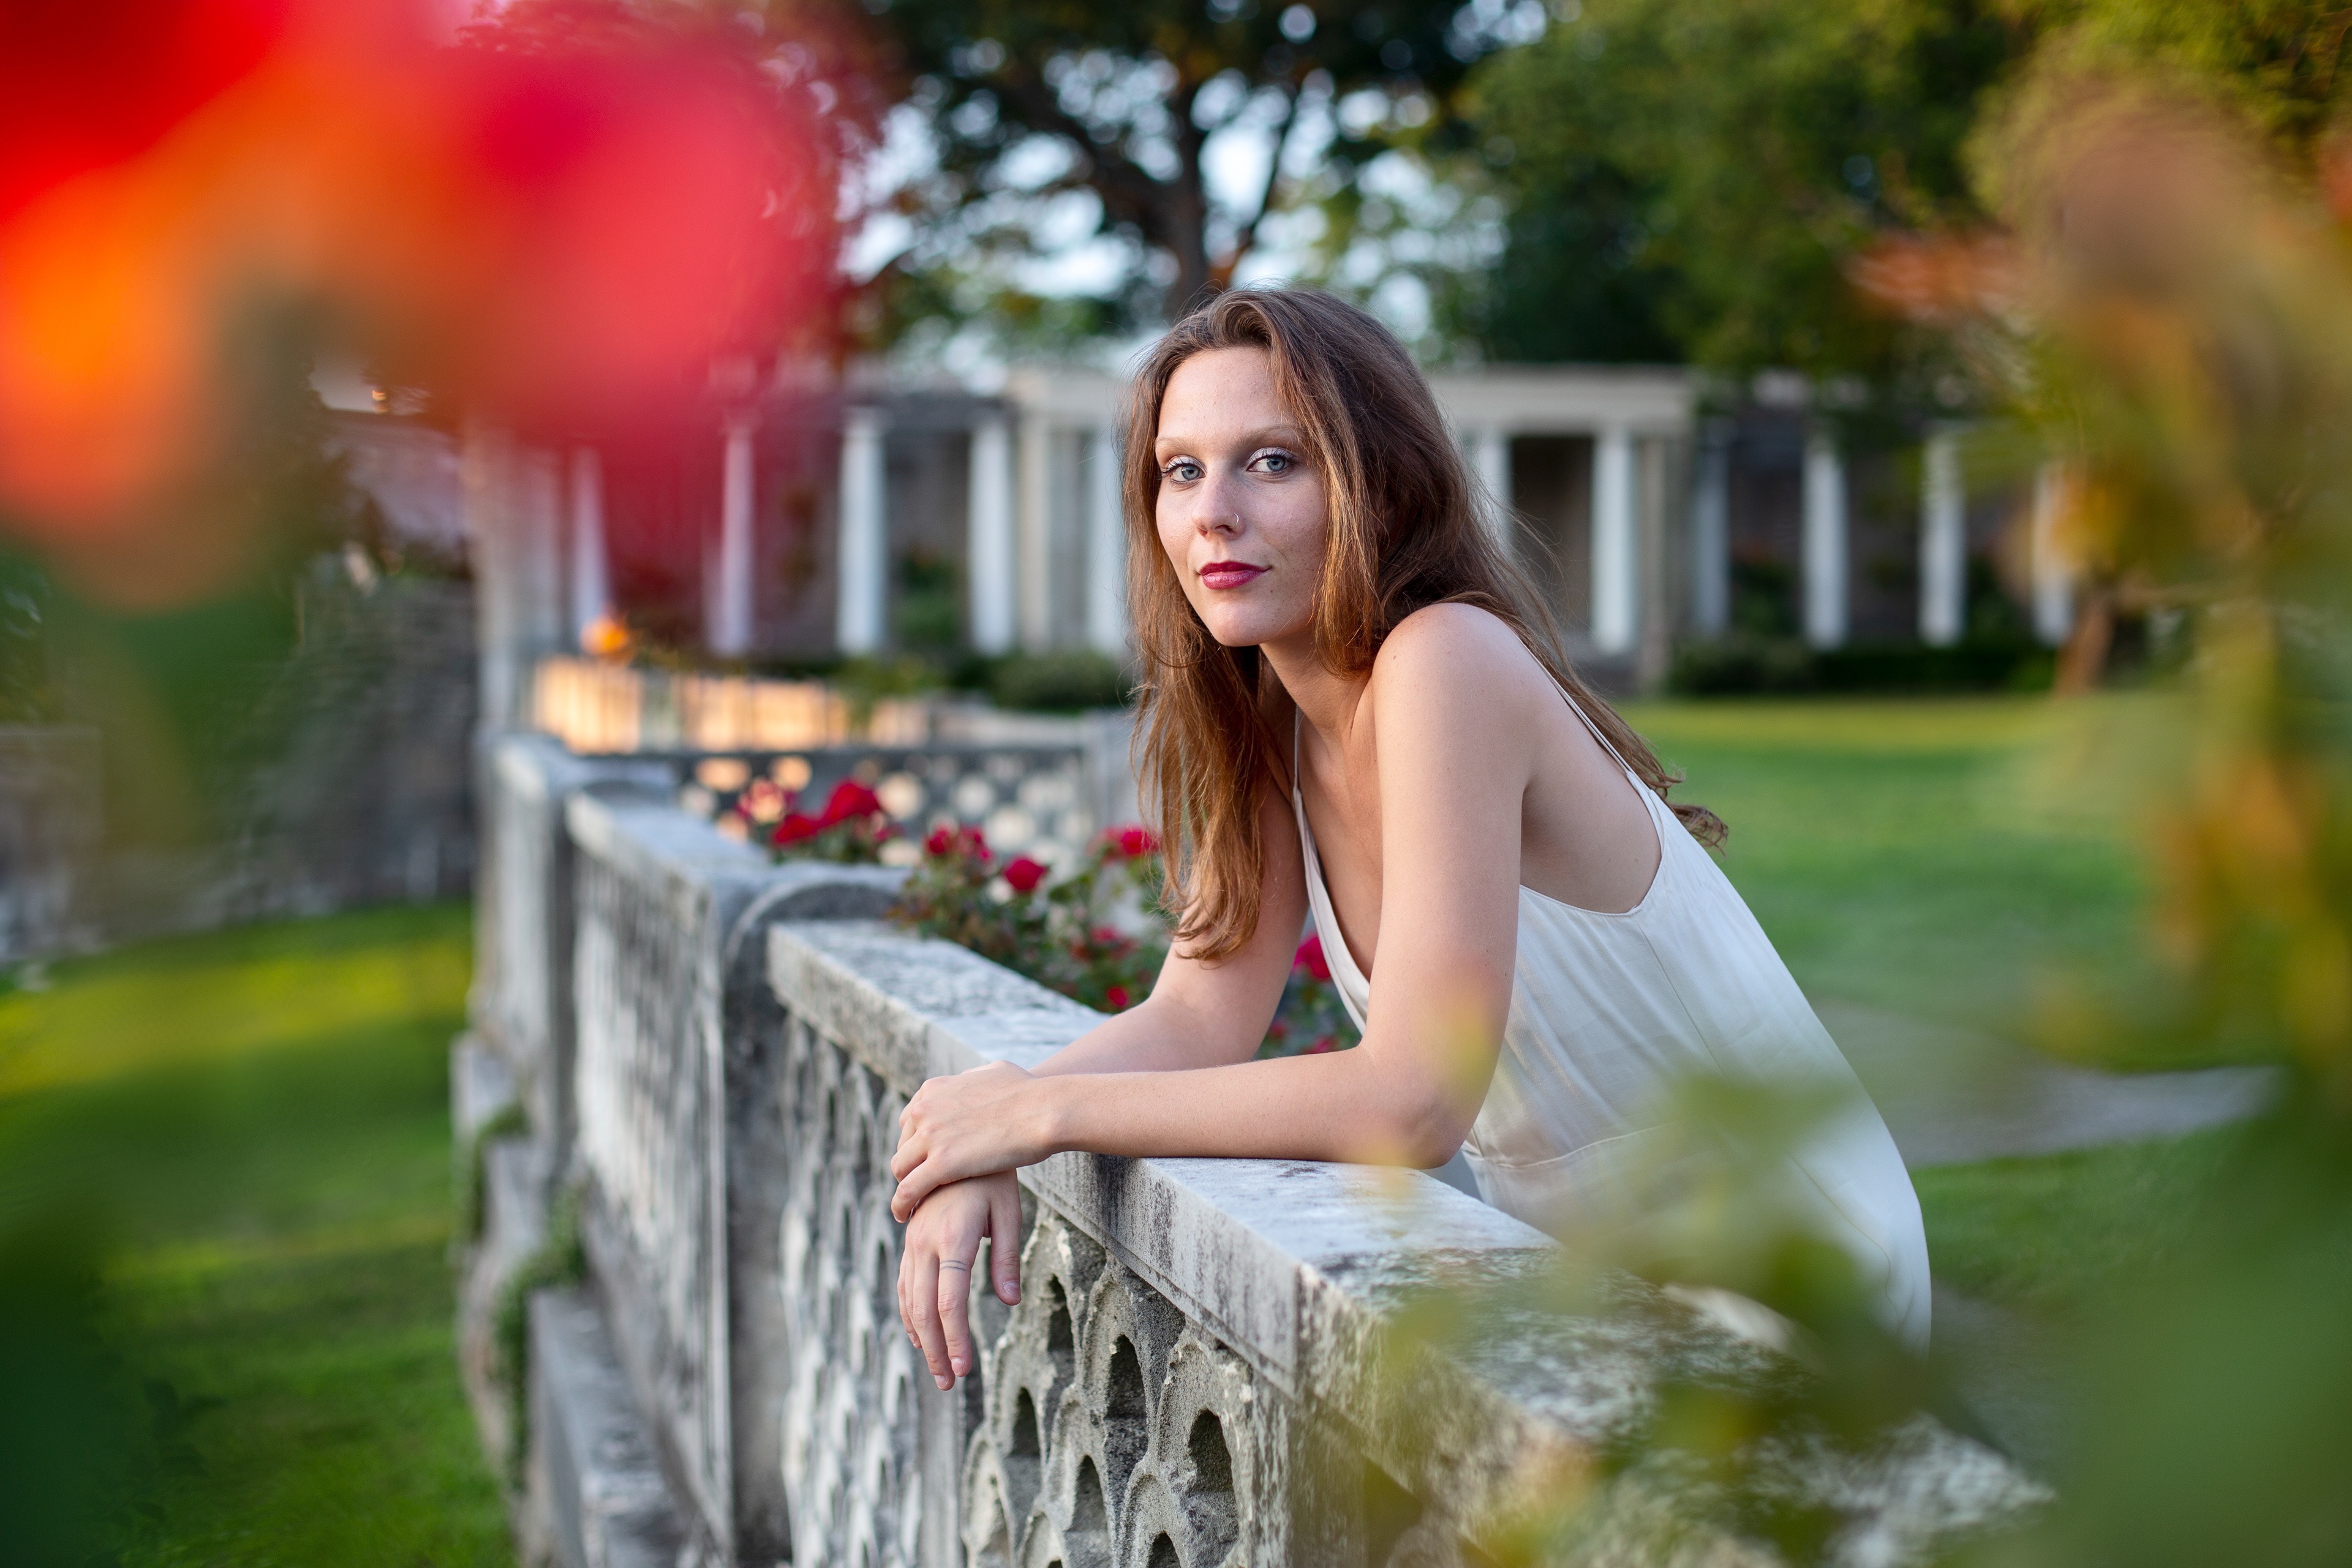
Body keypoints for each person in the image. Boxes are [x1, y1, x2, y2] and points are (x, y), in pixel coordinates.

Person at [889, 287, 1929, 1392]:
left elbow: (1415, 1101)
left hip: (1790, 1272)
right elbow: (1199, 1016)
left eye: (1273, 462)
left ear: (1374, 483)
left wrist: (1041, 1114)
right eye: (1181, 470)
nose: (1214, 514)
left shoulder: (1446, 661)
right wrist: (983, 1129)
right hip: (1598, 1285)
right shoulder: (1269, 725)